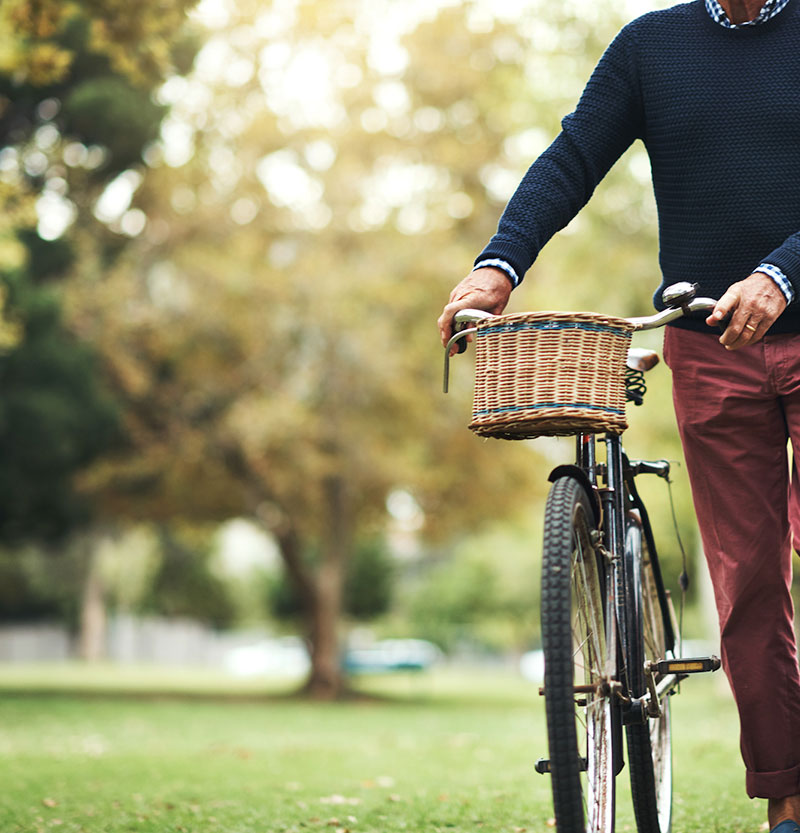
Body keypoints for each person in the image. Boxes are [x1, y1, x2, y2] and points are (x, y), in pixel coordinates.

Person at [437, 1, 800, 830]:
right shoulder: (652, 47)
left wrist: (783, 273)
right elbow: (571, 157)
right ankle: (788, 800)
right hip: (712, 351)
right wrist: (501, 263)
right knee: (746, 584)